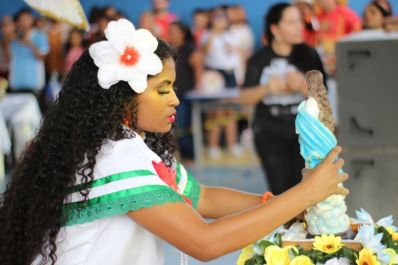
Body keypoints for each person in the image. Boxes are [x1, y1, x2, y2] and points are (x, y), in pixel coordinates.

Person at [0, 19, 348, 265]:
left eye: (174, 88)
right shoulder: (115, 156)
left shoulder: (131, 144)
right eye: (162, 89)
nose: (175, 100)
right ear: (123, 98)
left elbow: (203, 197)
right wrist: (306, 194)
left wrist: (286, 205)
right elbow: (205, 242)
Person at [239, 3, 327, 195]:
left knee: (304, 189)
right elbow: (244, 97)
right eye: (291, 22)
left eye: (299, 22)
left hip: (305, 133)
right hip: (269, 131)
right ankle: (285, 225)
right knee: (280, 190)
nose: (298, 27)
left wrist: (302, 86)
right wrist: (267, 88)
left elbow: (323, 95)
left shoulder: (309, 55)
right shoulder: (259, 59)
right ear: (275, 29)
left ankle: (303, 225)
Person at [168, 21, 203, 162]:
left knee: (184, 125)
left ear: (182, 33)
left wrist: (198, 85)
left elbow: (198, 65)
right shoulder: (170, 48)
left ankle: (189, 155)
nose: (171, 33)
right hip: (173, 93)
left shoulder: (188, 48)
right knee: (176, 125)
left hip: (186, 94)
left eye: (173, 31)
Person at [8, 8, 49, 110]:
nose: (24, 22)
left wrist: (29, 43)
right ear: (17, 22)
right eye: (21, 20)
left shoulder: (40, 36)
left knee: (34, 117)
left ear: (32, 20)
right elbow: (9, 58)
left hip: (33, 84)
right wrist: (7, 41)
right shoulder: (13, 39)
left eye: (26, 19)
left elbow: (42, 57)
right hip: (16, 83)